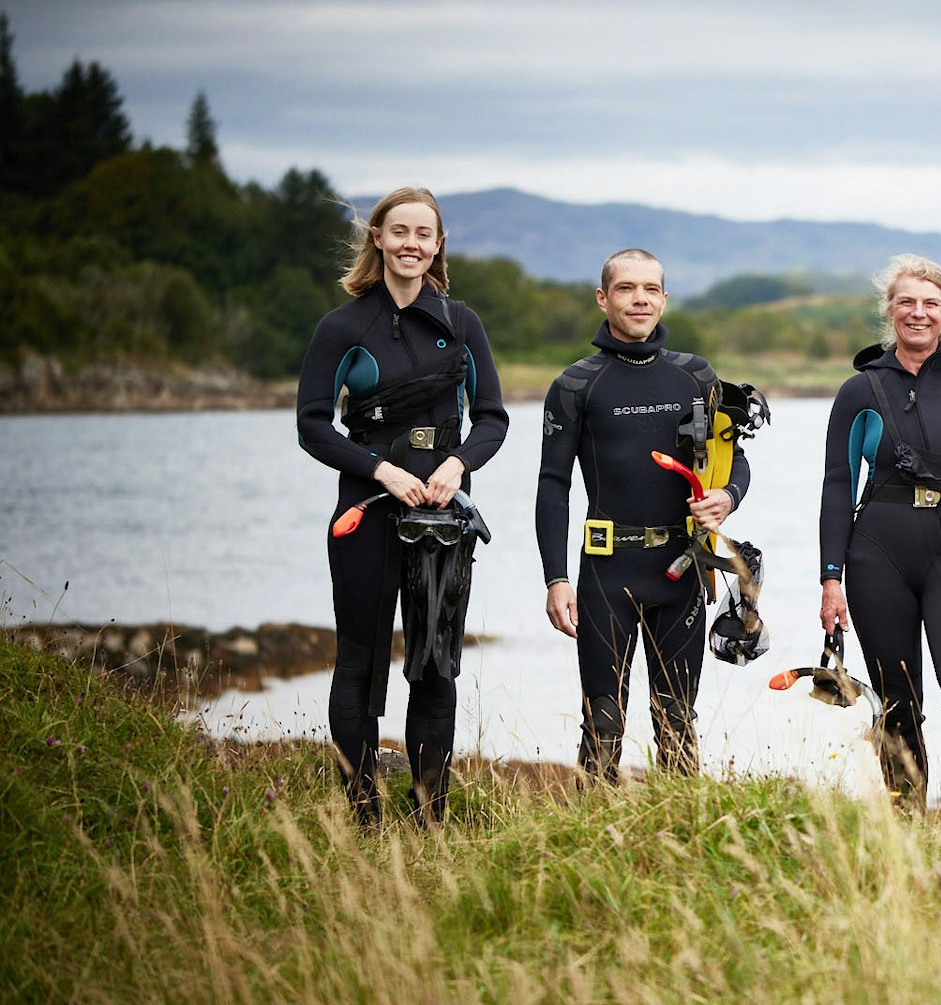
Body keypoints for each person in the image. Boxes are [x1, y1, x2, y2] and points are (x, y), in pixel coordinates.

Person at [296, 186, 510, 825]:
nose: (412, 244)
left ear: (438, 245)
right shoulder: (343, 327)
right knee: (358, 661)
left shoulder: (462, 323)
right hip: (366, 508)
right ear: (378, 240)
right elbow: (312, 425)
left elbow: (493, 419)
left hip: (444, 516)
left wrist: (457, 464)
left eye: (425, 233)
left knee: (436, 665)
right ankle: (364, 815)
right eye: (400, 232)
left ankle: (429, 815)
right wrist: (381, 471)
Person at [818, 254, 941, 837]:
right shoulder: (860, 390)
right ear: (890, 310)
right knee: (897, 701)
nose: (918, 312)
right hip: (876, 554)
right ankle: (905, 832)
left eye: (931, 303)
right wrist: (831, 577)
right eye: (907, 301)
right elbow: (838, 486)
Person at [537, 249, 745, 780]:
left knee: (676, 716)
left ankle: (683, 841)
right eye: (626, 289)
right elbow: (553, 484)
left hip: (681, 569)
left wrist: (728, 497)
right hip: (607, 572)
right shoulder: (576, 384)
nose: (640, 299)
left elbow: (734, 459)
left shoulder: (695, 376)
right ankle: (593, 839)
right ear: (603, 298)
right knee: (602, 720)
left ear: (664, 298)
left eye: (651, 289)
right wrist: (557, 579)